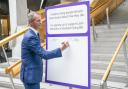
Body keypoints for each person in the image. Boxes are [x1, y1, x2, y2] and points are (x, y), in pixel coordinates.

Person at [20, 12, 69, 89]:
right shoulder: (31, 36)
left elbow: (37, 50)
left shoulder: (33, 34)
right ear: (30, 23)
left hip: (31, 75)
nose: (41, 22)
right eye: (38, 21)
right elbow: (44, 55)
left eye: (40, 20)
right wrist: (61, 48)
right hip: (30, 76)